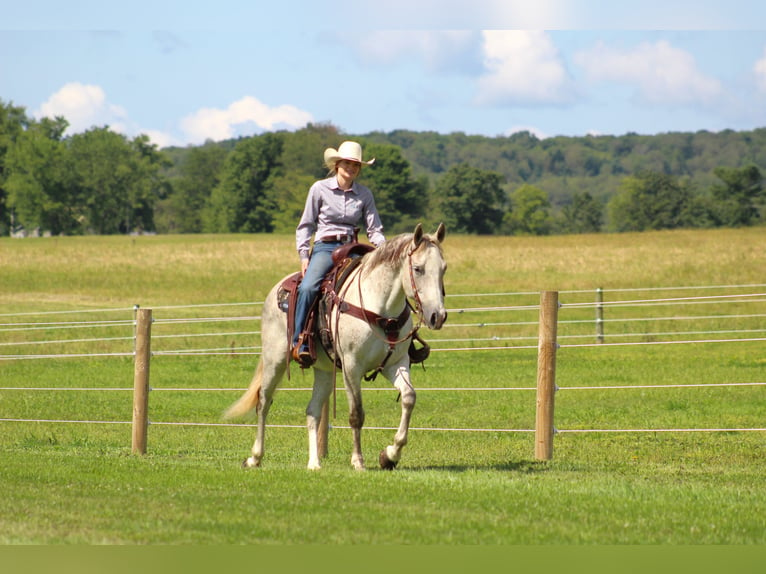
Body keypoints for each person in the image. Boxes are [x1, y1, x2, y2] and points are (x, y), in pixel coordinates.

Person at [292, 141, 386, 366]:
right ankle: (299, 341)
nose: (351, 168)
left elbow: (374, 229)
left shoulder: (365, 194)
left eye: (355, 165)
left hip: (353, 248)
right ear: (337, 164)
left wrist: (386, 250)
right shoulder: (319, 189)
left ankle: (393, 343)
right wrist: (304, 256)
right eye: (347, 163)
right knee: (308, 287)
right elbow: (306, 225)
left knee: (381, 285)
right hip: (326, 247)